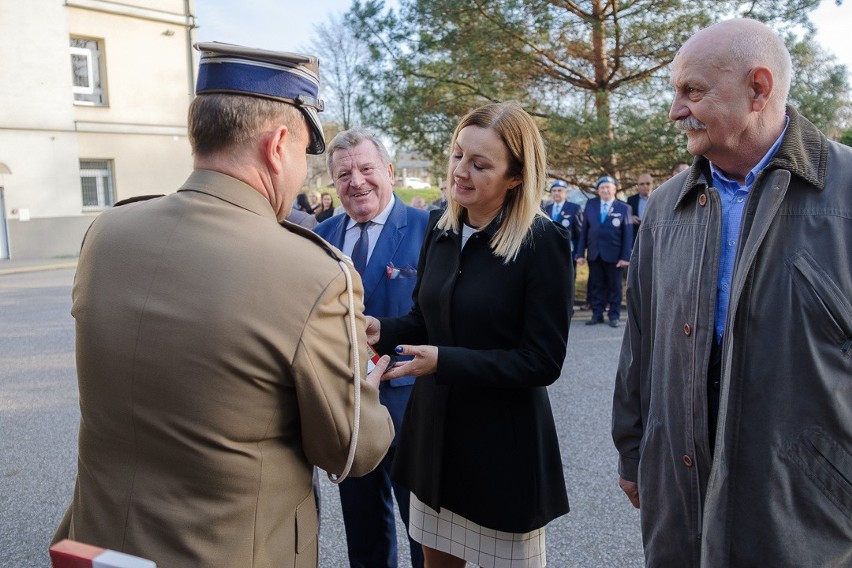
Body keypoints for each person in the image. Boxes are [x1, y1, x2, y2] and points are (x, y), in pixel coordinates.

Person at [52, 42, 395, 567]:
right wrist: (363, 389)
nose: (304, 175)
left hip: (99, 543)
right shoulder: (314, 273)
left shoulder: (106, 233)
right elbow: (351, 449)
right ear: (278, 144)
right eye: (305, 155)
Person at [612, 18, 852, 567]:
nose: (675, 110)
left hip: (807, 518)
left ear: (758, 89)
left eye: (692, 91)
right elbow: (639, 345)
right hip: (679, 504)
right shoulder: (666, 207)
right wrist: (634, 454)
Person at [368, 102, 573, 568]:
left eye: (481, 165)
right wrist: (382, 329)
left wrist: (445, 361)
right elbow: (425, 320)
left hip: (502, 451)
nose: (460, 172)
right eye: (458, 155)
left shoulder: (543, 244)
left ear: (516, 177)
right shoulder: (441, 228)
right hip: (435, 445)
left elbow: (542, 360)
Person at [315, 128, 429, 568]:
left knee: (425, 536)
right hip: (349, 415)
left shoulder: (430, 229)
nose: (356, 181)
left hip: (413, 410)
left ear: (390, 172)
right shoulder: (319, 238)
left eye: (366, 169)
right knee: (364, 537)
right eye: (344, 174)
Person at [576, 176, 632, 327]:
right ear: (598, 191)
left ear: (614, 189)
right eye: (602, 187)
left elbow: (628, 235)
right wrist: (580, 254)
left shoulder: (624, 208)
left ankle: (614, 315)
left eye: (608, 187)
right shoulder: (591, 205)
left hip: (615, 255)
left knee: (615, 287)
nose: (605, 190)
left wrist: (626, 257)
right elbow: (584, 232)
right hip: (595, 253)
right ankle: (597, 314)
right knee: (596, 286)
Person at [543, 179, 582, 264]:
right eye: (554, 191)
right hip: (549, 251)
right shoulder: (546, 209)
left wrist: (580, 253)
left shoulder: (575, 208)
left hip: (568, 251)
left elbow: (580, 233)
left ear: (566, 192)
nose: (556, 193)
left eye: (559, 190)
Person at [626, 173, 653, 247]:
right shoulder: (631, 200)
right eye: (642, 184)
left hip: (654, 237)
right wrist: (630, 218)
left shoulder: (659, 199)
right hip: (637, 238)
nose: (645, 186)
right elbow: (626, 217)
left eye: (648, 183)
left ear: (652, 184)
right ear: (637, 186)